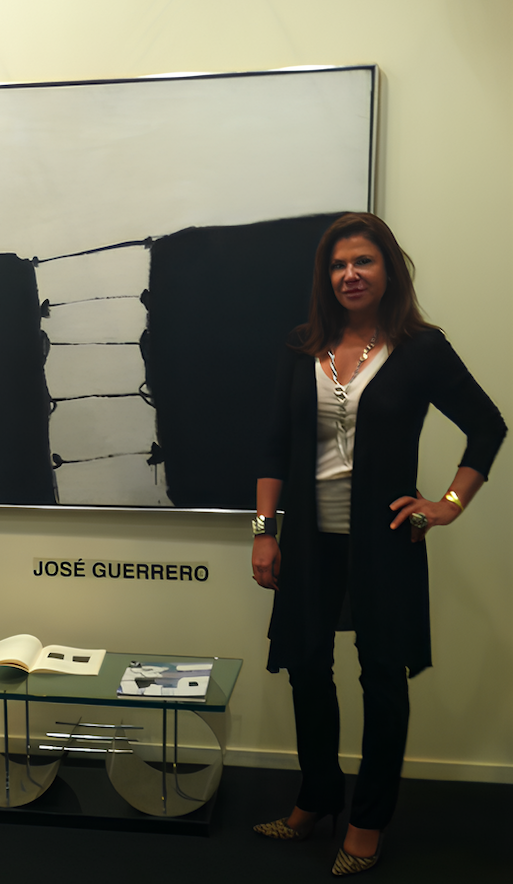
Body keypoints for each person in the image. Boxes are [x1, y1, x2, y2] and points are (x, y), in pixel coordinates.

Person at [250, 212, 506, 876]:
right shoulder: (302, 347)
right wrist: (264, 532)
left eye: (362, 261)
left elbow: (487, 426)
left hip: (386, 543)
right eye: (337, 265)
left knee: (382, 681)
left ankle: (367, 821)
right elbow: (274, 446)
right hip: (308, 543)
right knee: (307, 669)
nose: (349, 275)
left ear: (388, 269)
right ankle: (316, 797)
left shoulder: (419, 348)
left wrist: (445, 506)